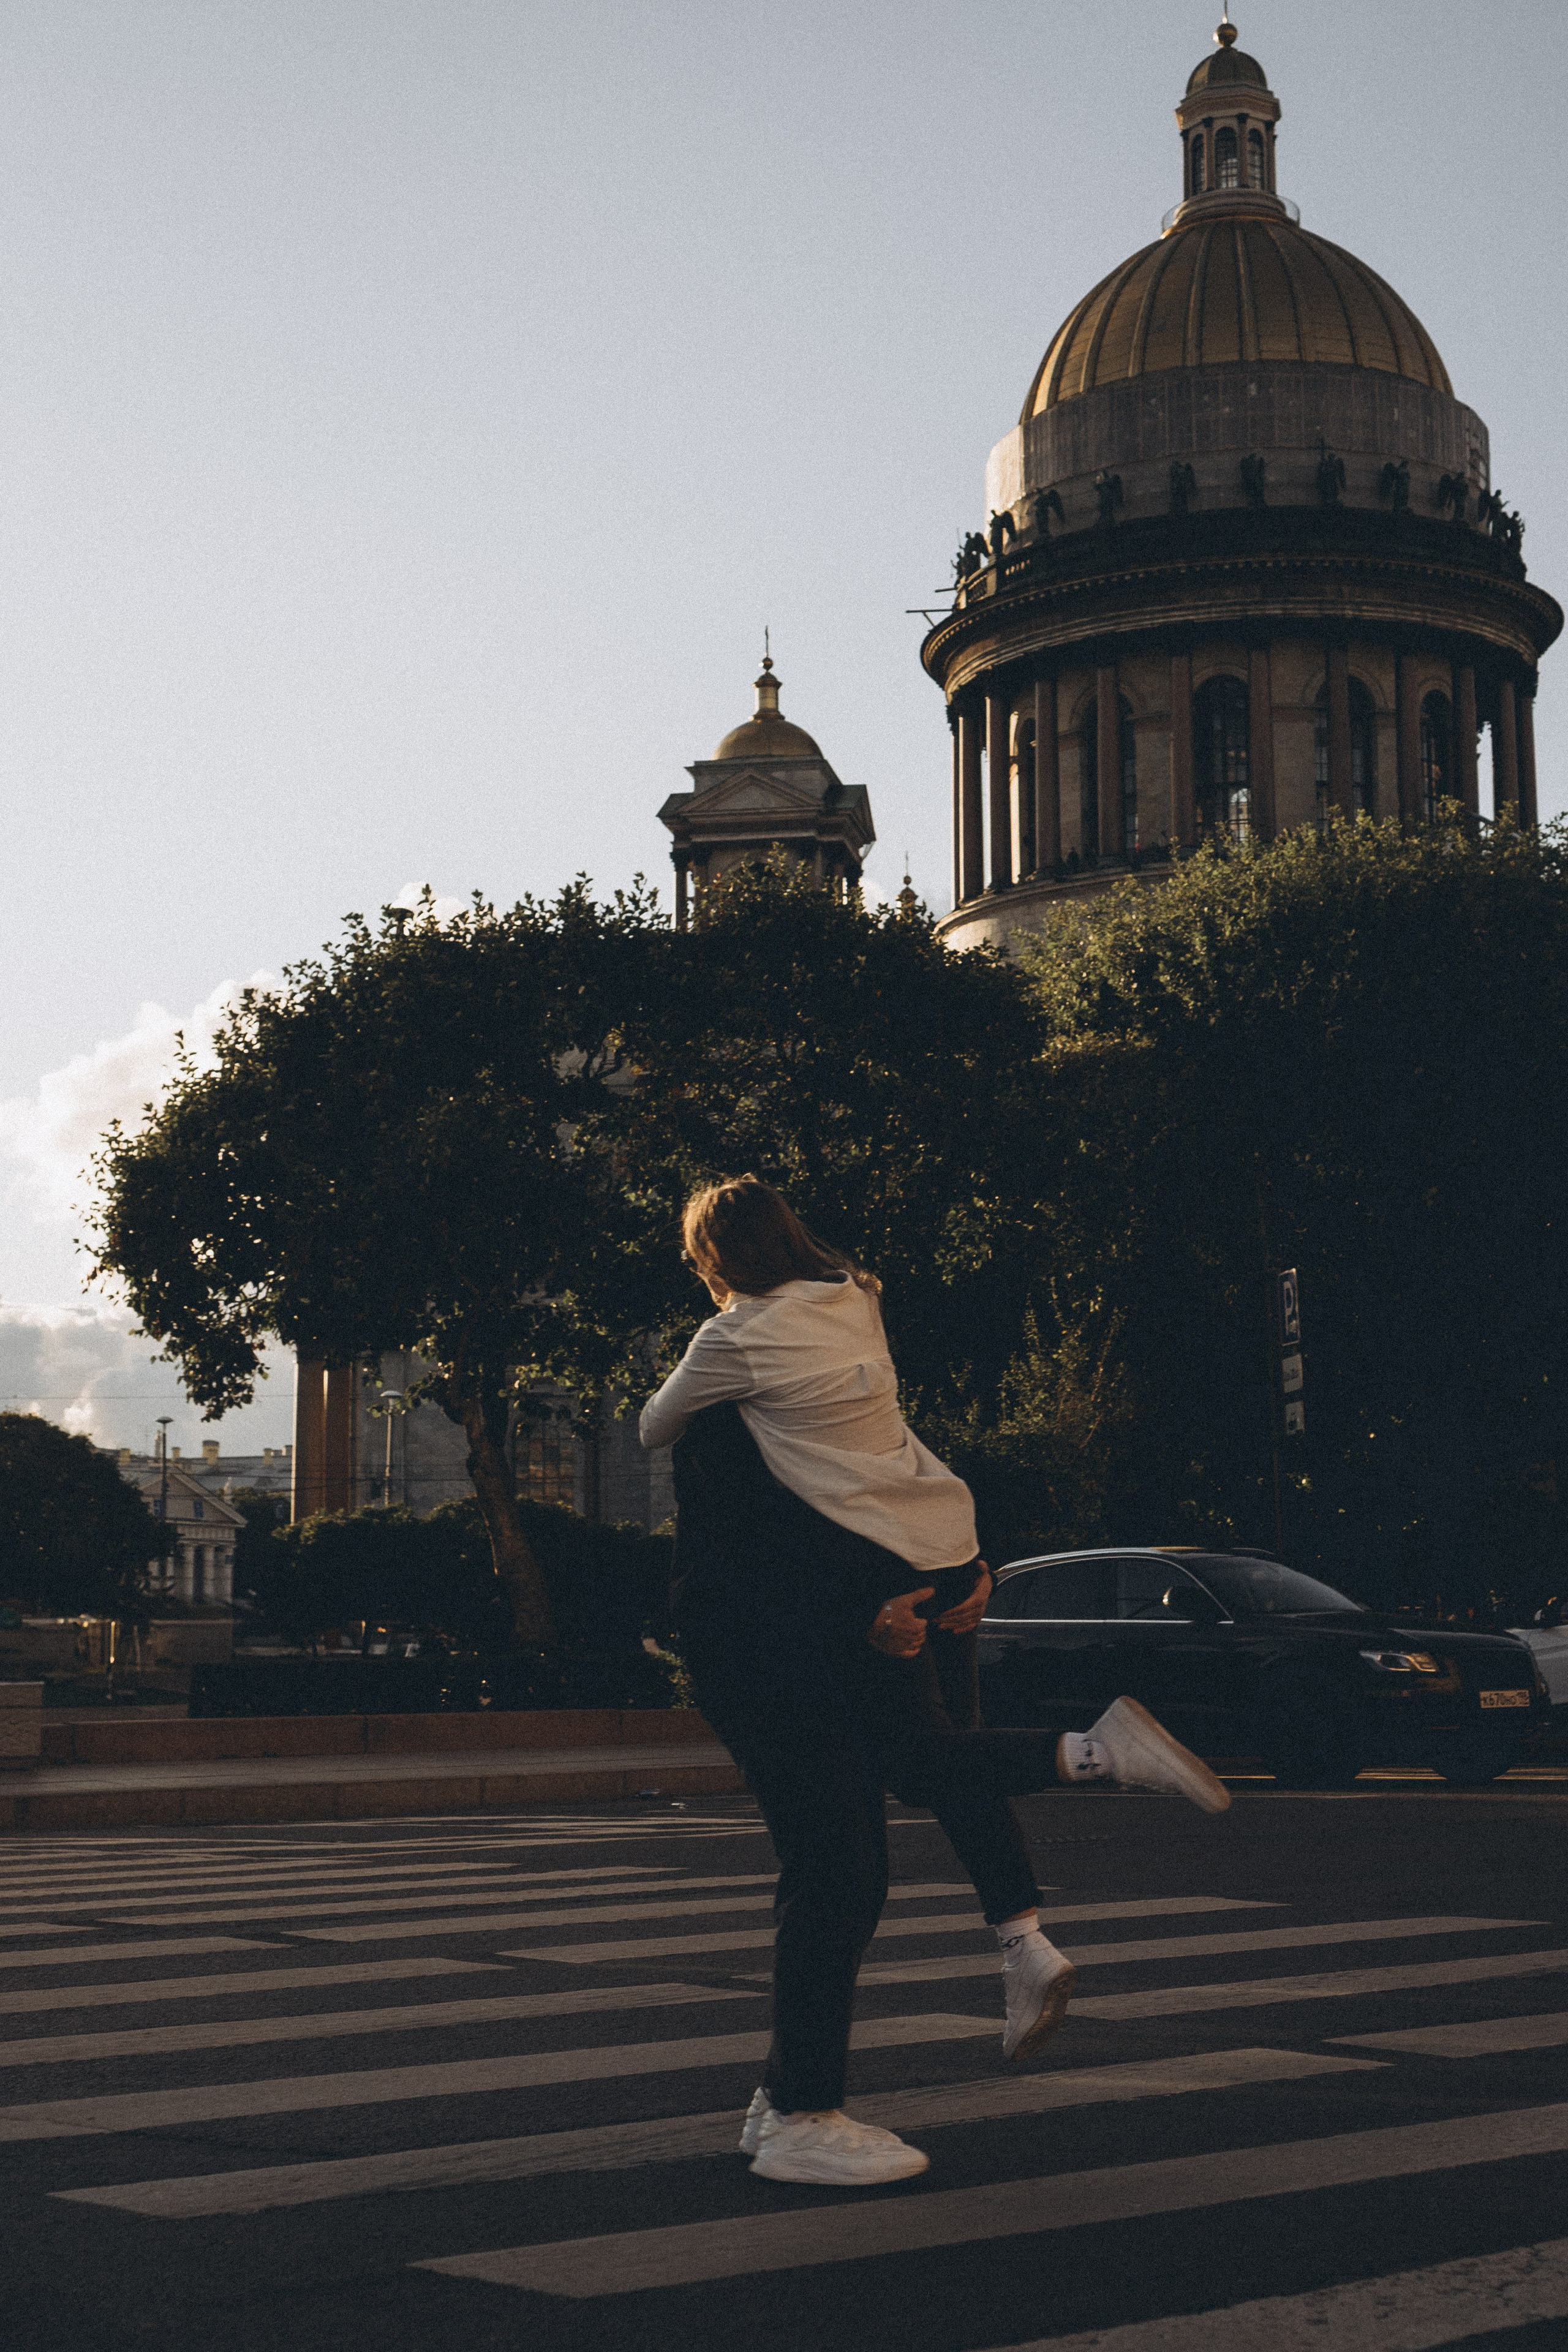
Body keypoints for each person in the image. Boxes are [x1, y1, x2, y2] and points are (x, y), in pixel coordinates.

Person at [639, 1176, 1229, 2188]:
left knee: (856, 1846)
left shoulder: (725, 1371)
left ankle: (793, 2105)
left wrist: (874, 1604)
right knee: (854, 1851)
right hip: (829, 1612)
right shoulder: (853, 1305)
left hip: (778, 1643)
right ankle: (812, 2096)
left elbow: (724, 1518)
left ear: (712, 1264)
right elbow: (831, 1500)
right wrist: (934, 1575)